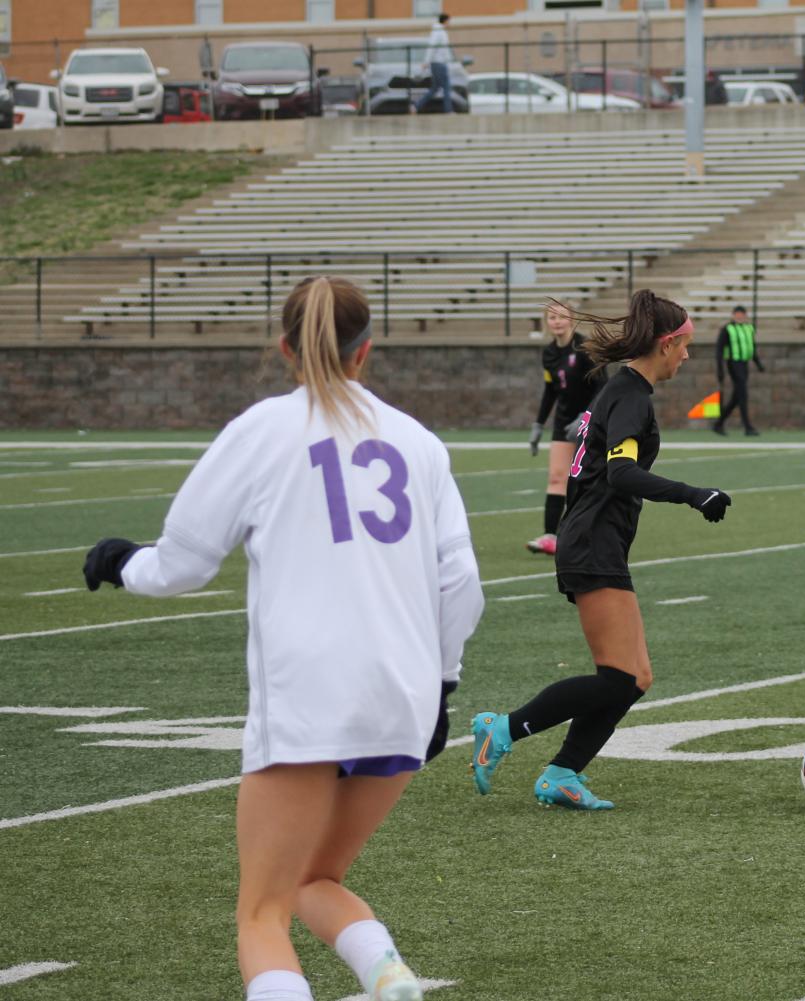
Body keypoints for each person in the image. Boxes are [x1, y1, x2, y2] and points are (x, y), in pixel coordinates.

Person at [80, 277, 484, 1001]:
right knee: (315, 878)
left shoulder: (264, 429)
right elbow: (462, 585)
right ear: (366, 353)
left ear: (284, 349)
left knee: (262, 912)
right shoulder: (419, 442)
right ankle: (388, 975)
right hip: (405, 690)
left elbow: (182, 563)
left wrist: (121, 563)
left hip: (309, 693)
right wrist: (443, 686)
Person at [471, 290, 731, 810]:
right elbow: (622, 473)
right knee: (617, 677)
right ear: (666, 343)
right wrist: (695, 494)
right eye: (685, 347)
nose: (687, 356)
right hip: (593, 544)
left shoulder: (623, 390)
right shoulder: (630, 395)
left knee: (636, 678)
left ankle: (563, 773)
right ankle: (503, 728)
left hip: (595, 540)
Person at [527, 301, 603, 555]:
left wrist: (586, 416)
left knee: (583, 481)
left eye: (561, 316)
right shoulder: (549, 353)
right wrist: (539, 424)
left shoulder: (586, 348)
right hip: (562, 423)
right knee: (557, 477)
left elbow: (603, 386)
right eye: (551, 317)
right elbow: (550, 391)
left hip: (589, 423)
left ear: (572, 319)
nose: (556, 321)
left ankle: (583, 535)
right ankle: (551, 537)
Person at [713, 305, 764, 437]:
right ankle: (747, 426)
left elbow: (752, 346)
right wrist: (720, 370)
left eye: (742, 314)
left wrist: (758, 363)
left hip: (744, 364)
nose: (740, 317)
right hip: (733, 363)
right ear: (733, 315)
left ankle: (718, 424)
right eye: (737, 314)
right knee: (743, 394)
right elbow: (719, 350)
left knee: (737, 397)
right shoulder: (727, 329)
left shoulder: (749, 328)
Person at [418, 13, 454, 114]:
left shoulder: (441, 32)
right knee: (446, 87)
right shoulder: (438, 32)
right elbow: (432, 47)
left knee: (435, 88)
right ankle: (448, 110)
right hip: (439, 63)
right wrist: (426, 62)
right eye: (449, 21)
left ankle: (416, 106)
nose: (450, 23)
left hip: (440, 63)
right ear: (445, 21)